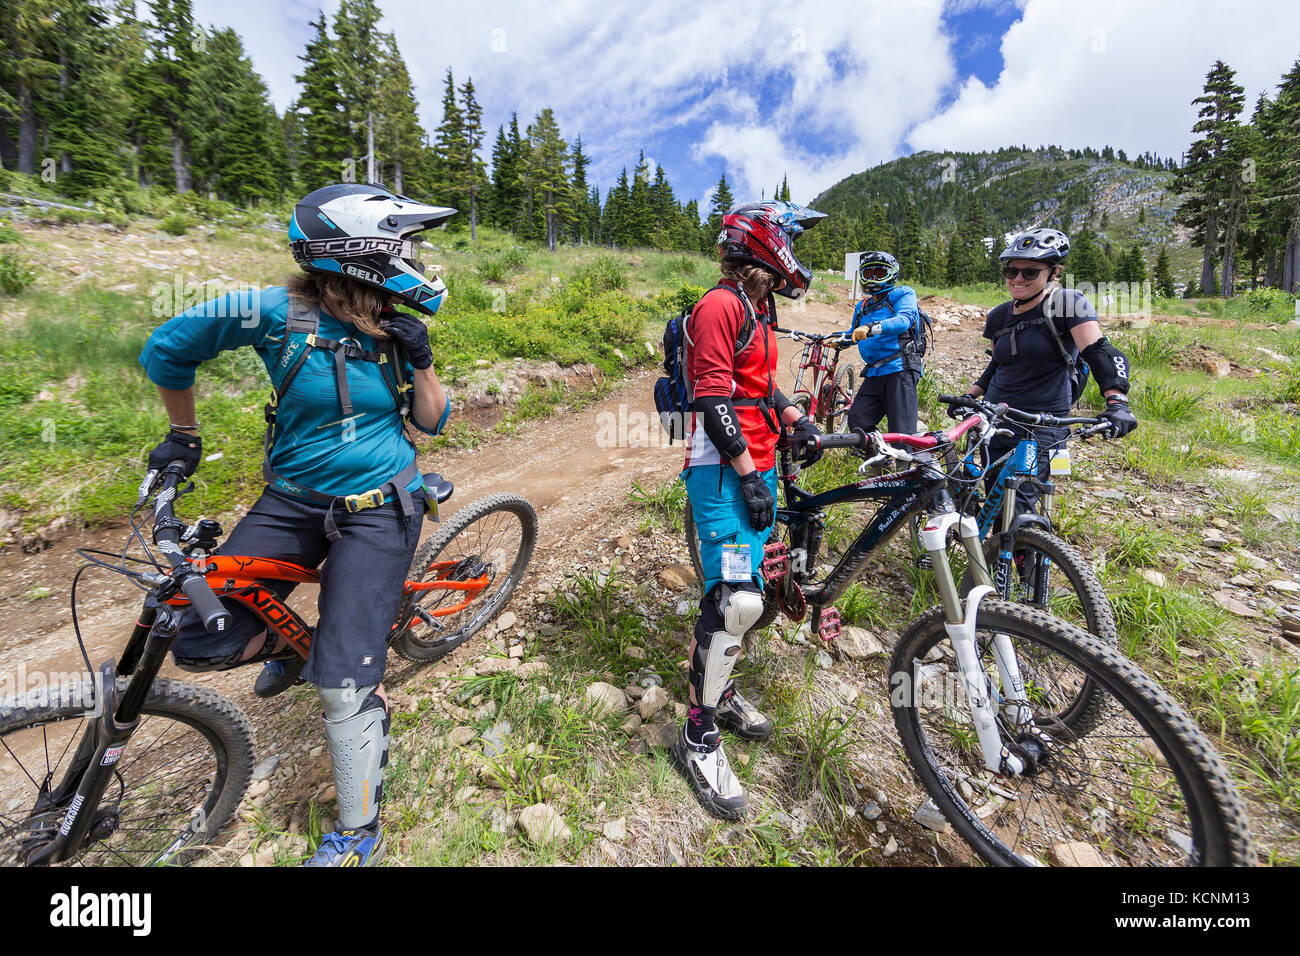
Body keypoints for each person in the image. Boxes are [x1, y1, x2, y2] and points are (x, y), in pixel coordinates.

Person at [137, 183, 455, 866]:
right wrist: (182, 436)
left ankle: (359, 826)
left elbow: (430, 421)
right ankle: (301, 650)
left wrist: (422, 359)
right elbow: (168, 348)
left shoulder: (392, 320)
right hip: (291, 499)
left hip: (379, 507)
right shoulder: (274, 314)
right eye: (405, 246)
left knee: (342, 687)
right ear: (361, 253)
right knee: (201, 635)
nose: (418, 260)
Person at [675, 199, 826, 819]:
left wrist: (795, 416)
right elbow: (712, 399)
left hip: (756, 463)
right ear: (765, 244)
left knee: (756, 588)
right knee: (736, 599)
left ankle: (722, 689)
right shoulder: (721, 305)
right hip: (721, 471)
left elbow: (756, 385)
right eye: (791, 238)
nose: (797, 252)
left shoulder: (757, 310)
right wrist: (747, 475)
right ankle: (697, 734)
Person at [958, 227, 1137, 513]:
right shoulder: (999, 315)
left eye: (1030, 272)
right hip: (997, 414)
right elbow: (998, 362)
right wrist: (971, 395)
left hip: (1042, 419)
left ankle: (1022, 553)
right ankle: (995, 552)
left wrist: (1117, 402)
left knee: (1022, 497)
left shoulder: (1067, 304)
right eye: (1011, 271)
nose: (1018, 278)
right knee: (994, 489)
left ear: (1053, 273)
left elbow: (1099, 351)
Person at [845, 251, 924, 437]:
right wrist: (834, 339)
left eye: (879, 273)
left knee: (902, 433)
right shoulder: (862, 306)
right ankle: (881, 460)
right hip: (874, 372)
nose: (873, 278)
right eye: (868, 273)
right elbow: (853, 333)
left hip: (900, 369)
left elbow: (903, 320)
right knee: (858, 421)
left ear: (891, 273)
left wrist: (871, 328)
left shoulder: (902, 293)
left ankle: (911, 464)